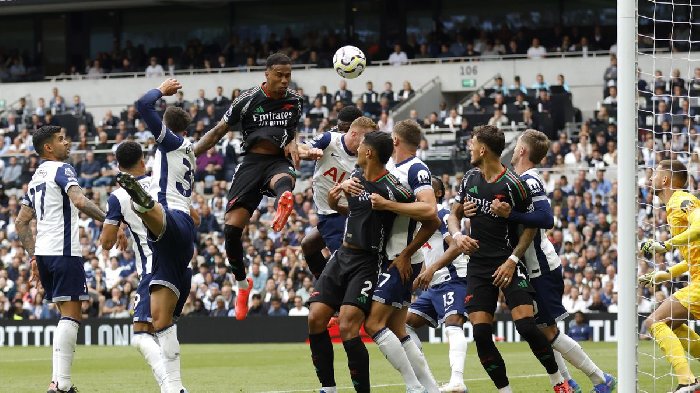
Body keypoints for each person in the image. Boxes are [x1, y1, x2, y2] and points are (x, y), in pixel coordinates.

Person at [114, 78, 227, 393]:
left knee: (155, 219)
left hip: (169, 218)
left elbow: (142, 106)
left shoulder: (171, 142)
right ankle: (175, 388)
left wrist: (160, 92)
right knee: (161, 323)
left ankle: (142, 201)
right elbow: (213, 136)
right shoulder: (189, 150)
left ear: (167, 128)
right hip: (185, 235)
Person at [488, 129, 616, 393]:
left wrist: (510, 214)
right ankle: (568, 382)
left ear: (523, 150)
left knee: (548, 333)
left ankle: (600, 379)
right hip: (530, 266)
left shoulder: (530, 180)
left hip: (541, 267)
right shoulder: (519, 178)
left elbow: (547, 218)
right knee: (538, 329)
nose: (513, 151)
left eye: (516, 147)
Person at [448, 125, 570, 393]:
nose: (468, 147)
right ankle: (505, 391)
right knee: (480, 334)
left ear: (483, 149)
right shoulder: (469, 178)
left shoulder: (514, 184)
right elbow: (453, 215)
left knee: (527, 326)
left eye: (472, 143)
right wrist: (458, 236)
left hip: (508, 262)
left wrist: (514, 259)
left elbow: (531, 226)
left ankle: (559, 382)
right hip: (478, 266)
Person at [186, 52, 303, 320]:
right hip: (251, 163)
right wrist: (191, 154)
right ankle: (242, 284)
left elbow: (292, 132)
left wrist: (293, 142)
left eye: (288, 76)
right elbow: (217, 131)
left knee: (284, 182)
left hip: (277, 161)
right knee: (230, 230)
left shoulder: (295, 102)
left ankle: (284, 198)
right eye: (280, 75)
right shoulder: (248, 100)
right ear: (267, 73)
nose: (285, 80)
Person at [306, 131, 416, 393]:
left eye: (362, 145)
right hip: (342, 255)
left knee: (347, 325)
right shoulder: (355, 177)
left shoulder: (394, 187)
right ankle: (328, 388)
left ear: (369, 152)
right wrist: (337, 194)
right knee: (315, 318)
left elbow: (427, 214)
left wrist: (405, 249)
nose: (356, 148)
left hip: (368, 260)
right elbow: (345, 209)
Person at [15, 125, 108, 393]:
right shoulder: (63, 169)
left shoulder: (36, 177)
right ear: (48, 148)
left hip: (44, 254)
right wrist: (110, 219)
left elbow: (21, 223)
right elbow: (79, 201)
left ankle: (59, 382)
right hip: (64, 251)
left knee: (66, 316)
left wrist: (33, 257)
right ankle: (62, 384)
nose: (67, 143)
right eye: (60, 139)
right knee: (72, 316)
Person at [100, 141, 198, 392]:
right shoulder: (161, 185)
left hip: (154, 267)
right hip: (183, 265)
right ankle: (173, 387)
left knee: (142, 335)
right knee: (160, 329)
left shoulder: (118, 196)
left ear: (117, 166)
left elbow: (106, 242)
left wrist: (118, 223)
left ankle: (172, 386)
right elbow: (195, 218)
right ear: (143, 161)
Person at [361, 119, 441, 392]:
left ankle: (415, 386)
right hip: (392, 256)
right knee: (398, 328)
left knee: (373, 323)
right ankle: (429, 386)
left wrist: (387, 205)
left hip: (402, 257)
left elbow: (430, 211)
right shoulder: (392, 169)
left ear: (395, 140)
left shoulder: (417, 169)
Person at [638, 160, 700, 393]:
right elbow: (692, 257)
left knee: (655, 321)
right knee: (672, 324)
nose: (651, 178)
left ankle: (687, 381)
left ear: (665, 180)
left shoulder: (682, 200)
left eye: (655, 174)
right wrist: (663, 275)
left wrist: (665, 244)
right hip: (697, 279)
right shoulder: (673, 206)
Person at [406, 176, 470, 393]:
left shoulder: (441, 213)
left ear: (439, 194)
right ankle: (428, 383)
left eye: (428, 190)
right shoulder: (419, 222)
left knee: (453, 324)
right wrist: (420, 276)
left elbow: (455, 246)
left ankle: (457, 381)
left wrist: (431, 270)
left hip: (454, 278)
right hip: (434, 284)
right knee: (404, 324)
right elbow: (430, 255)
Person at [297, 107, 365, 278]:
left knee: (344, 265)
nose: (342, 131)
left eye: (346, 128)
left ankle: (332, 290)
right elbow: (299, 149)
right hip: (327, 211)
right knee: (308, 245)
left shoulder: (366, 153)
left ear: (356, 130)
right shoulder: (329, 139)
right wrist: (309, 153)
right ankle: (324, 282)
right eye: (340, 127)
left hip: (343, 213)